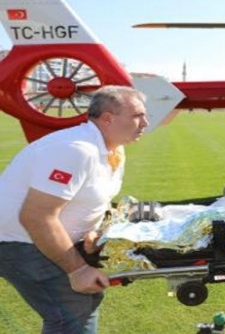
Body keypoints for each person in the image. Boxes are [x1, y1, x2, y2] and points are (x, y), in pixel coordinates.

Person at [0, 86, 148, 333]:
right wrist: (78, 269)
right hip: (20, 243)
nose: (145, 123)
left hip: (44, 240)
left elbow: (94, 199)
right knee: (71, 312)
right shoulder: (75, 150)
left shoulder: (113, 149)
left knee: (84, 303)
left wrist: (94, 231)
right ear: (108, 118)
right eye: (137, 116)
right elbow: (36, 216)